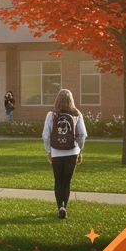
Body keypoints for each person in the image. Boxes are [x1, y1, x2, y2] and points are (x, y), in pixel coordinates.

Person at [44, 88, 87, 220]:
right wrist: (79, 151)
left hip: (56, 152)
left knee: (58, 180)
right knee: (67, 181)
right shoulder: (76, 115)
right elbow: (82, 135)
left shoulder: (51, 115)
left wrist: (49, 151)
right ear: (71, 100)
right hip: (72, 152)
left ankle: (60, 207)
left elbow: (46, 136)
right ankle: (64, 207)